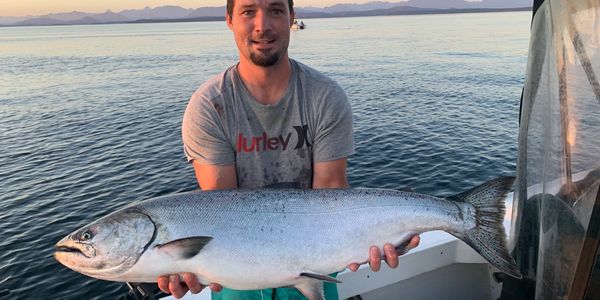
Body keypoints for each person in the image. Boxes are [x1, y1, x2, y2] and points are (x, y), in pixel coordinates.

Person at [158, 0, 420, 298]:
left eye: (276, 10)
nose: (262, 25)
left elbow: (331, 192)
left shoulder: (324, 96)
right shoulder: (209, 106)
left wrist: (377, 237)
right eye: (248, 11)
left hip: (316, 262)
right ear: (229, 19)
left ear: (291, 18)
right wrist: (189, 266)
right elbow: (220, 208)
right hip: (236, 280)